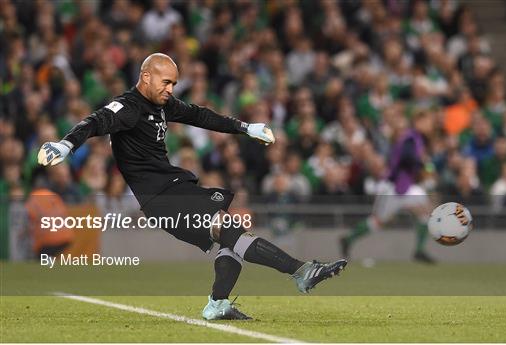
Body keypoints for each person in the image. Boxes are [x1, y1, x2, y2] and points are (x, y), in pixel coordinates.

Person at [37, 53, 347, 320]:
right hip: (163, 198)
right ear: (145, 77)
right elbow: (94, 121)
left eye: (173, 83)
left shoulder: (163, 105)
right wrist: (66, 145)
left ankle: (218, 304)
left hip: (174, 189)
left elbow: (200, 116)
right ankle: (301, 271)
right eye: (165, 82)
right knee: (230, 229)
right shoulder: (127, 107)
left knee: (230, 235)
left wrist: (245, 128)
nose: (170, 89)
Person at [339, 111, 436, 263]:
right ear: (418, 121)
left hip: (406, 187)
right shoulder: (410, 137)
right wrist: (425, 164)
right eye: (428, 121)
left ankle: (419, 250)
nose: (430, 125)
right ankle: (348, 239)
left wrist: (425, 166)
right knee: (377, 221)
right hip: (393, 187)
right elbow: (407, 157)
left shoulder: (417, 138)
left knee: (424, 213)